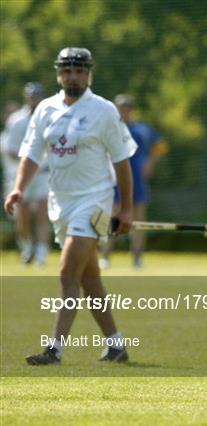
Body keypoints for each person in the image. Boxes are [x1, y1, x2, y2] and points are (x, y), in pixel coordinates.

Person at [4, 47, 137, 365]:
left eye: (79, 71)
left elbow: (122, 162)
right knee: (89, 278)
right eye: (67, 70)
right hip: (60, 204)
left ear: (89, 74)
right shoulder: (45, 109)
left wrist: (126, 209)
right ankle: (116, 344)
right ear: (58, 74)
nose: (73, 76)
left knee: (67, 272)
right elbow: (32, 155)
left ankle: (54, 348)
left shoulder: (104, 111)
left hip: (94, 202)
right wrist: (19, 188)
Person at [99, 94, 168, 269]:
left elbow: (160, 145)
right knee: (111, 218)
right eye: (120, 107)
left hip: (137, 180)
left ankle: (137, 257)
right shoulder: (108, 129)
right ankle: (105, 256)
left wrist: (150, 163)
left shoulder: (142, 130)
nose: (124, 111)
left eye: (127, 107)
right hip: (113, 181)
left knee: (138, 219)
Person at [1, 83, 50, 265]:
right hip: (22, 173)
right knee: (23, 214)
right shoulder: (16, 120)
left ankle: (41, 253)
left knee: (42, 212)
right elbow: (11, 149)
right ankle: (26, 247)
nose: (34, 99)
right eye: (31, 96)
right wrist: (29, 162)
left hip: (44, 173)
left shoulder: (50, 117)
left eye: (37, 96)